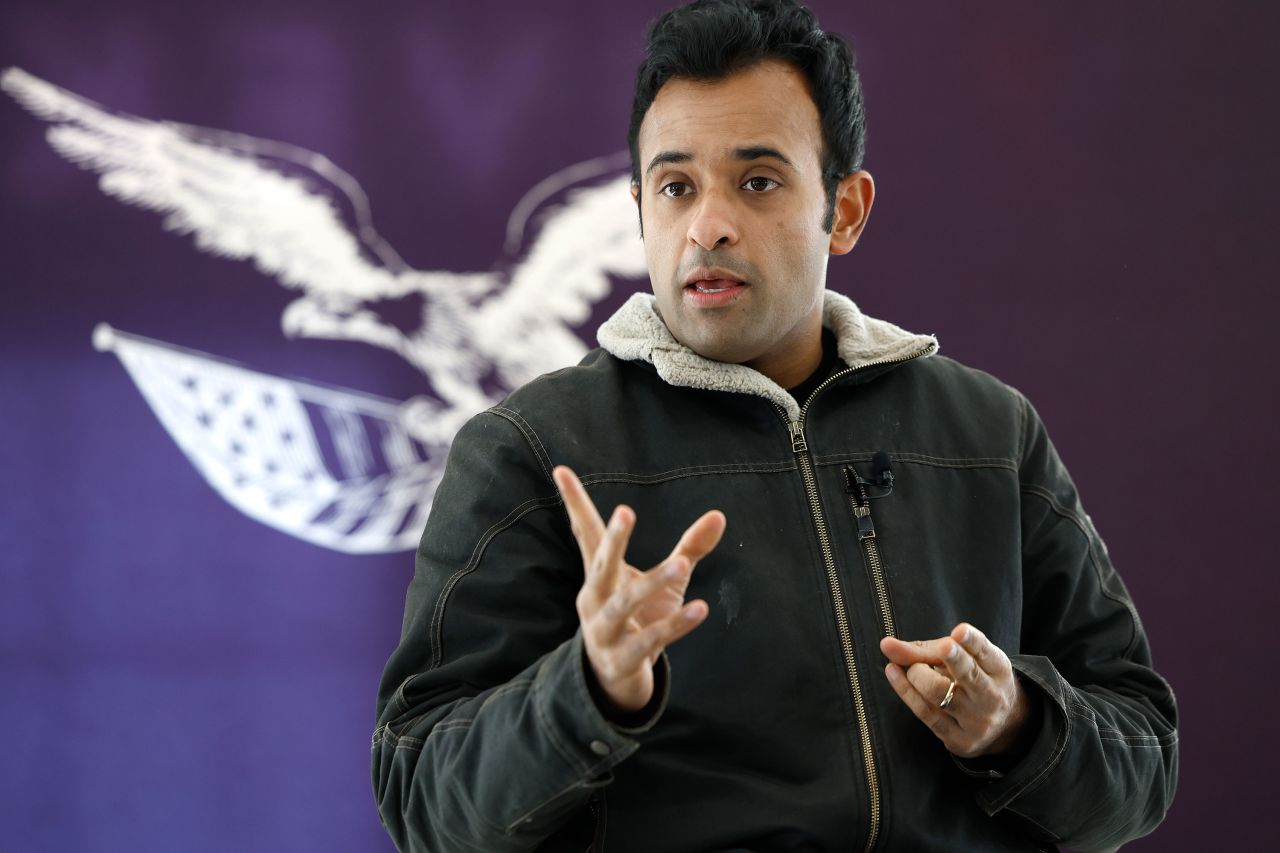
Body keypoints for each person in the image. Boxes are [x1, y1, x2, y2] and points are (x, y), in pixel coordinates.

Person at [371, 1, 1178, 850]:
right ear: (640, 208)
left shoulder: (988, 430)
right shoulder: (530, 449)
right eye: (676, 187)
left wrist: (1015, 724)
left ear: (847, 209)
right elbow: (423, 799)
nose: (708, 225)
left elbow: (1143, 759)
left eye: (758, 181)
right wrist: (589, 690)